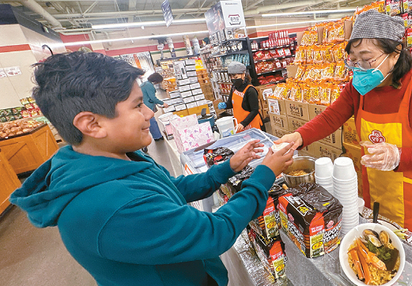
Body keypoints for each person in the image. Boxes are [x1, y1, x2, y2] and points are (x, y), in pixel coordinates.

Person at [10, 52, 295, 286]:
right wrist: (263, 175)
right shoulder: (112, 206)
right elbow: (214, 233)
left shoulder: (116, 158)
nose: (150, 112)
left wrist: (226, 168)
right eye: (137, 106)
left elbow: (171, 189)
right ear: (92, 124)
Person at [276, 10, 412, 240]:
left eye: (367, 59)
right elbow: (331, 117)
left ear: (395, 54)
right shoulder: (359, 88)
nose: (360, 67)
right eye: (353, 59)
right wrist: (300, 136)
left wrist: (399, 157)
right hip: (374, 193)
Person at [216, 61, 263, 133]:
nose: (233, 79)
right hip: (240, 126)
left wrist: (244, 123)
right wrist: (225, 105)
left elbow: (255, 110)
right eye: (231, 77)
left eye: (235, 77)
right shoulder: (234, 88)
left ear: (243, 74)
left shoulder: (250, 90)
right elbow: (231, 103)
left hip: (252, 126)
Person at [141, 72, 168, 141]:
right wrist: (162, 103)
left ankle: (156, 136)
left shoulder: (145, 83)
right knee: (152, 122)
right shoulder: (149, 85)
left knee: (150, 122)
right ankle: (157, 137)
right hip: (147, 106)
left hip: (144, 105)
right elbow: (152, 98)